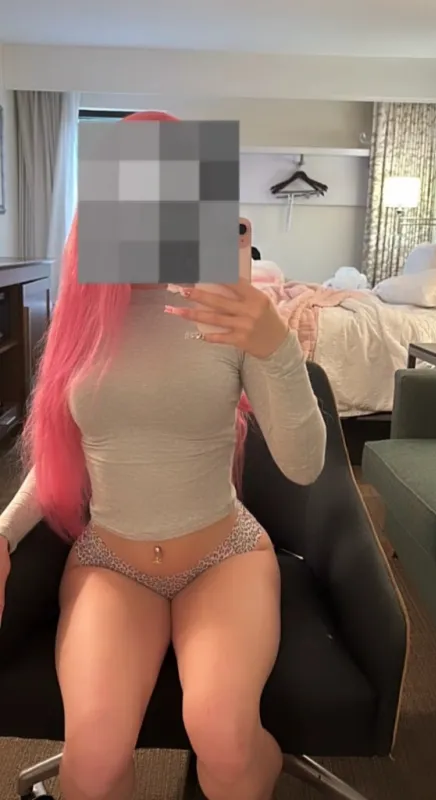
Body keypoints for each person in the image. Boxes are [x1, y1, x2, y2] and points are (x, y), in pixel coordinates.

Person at [0, 111, 326, 800]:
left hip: (223, 555)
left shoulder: (228, 313)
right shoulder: (80, 320)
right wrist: (2, 532)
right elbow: (61, 455)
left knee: (225, 740)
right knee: (91, 762)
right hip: (111, 562)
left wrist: (275, 343)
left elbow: (304, 466)